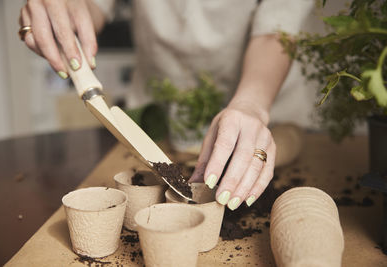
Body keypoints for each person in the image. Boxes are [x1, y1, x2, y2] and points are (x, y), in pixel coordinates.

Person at [18, 0, 314, 211]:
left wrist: (250, 105)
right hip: (157, 121)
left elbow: (277, 30)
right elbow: (91, 6)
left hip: (260, 108)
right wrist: (64, 13)